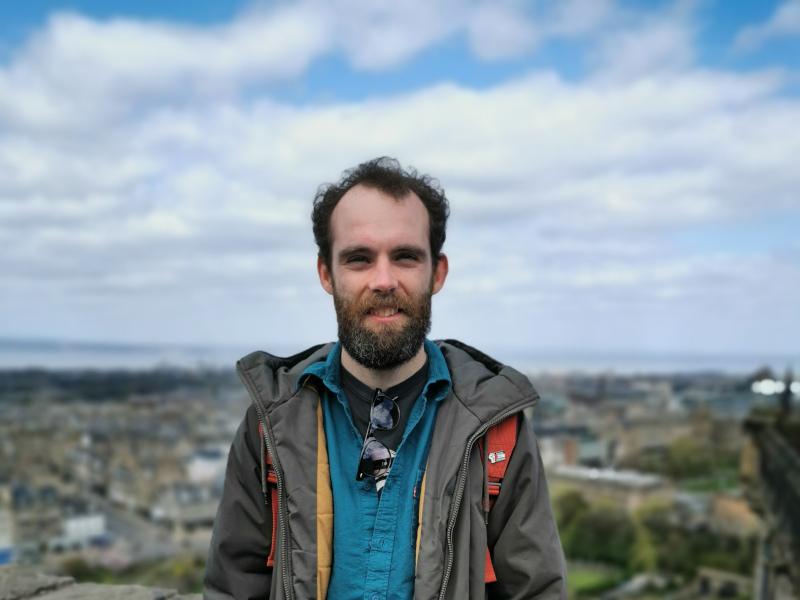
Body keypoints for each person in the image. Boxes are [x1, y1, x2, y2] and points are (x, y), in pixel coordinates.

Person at [204, 157, 566, 599]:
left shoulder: (497, 432)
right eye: (359, 258)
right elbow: (233, 587)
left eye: (405, 257)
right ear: (326, 274)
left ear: (437, 273)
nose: (383, 280)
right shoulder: (270, 426)